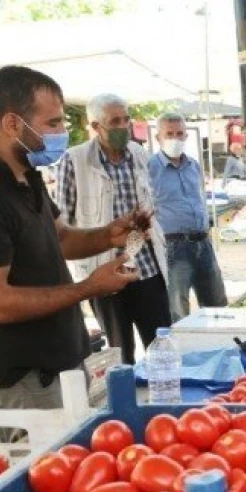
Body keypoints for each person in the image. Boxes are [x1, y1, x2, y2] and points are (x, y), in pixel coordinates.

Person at [0, 66, 140, 429]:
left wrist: (109, 235)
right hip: (17, 385)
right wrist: (88, 288)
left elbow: (60, 238)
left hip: (58, 369)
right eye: (53, 123)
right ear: (13, 124)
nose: (63, 133)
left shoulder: (25, 173)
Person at [55, 93, 171, 364]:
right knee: (120, 354)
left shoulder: (139, 154)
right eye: (114, 121)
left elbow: (149, 198)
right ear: (95, 126)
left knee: (162, 346)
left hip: (146, 267)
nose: (123, 127)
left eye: (126, 120)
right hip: (105, 271)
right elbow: (64, 222)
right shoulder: (75, 160)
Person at [148, 112, 228, 322]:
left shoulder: (193, 166)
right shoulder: (150, 168)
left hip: (202, 242)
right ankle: (183, 352)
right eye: (169, 134)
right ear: (159, 138)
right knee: (178, 308)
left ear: (186, 136)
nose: (175, 138)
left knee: (217, 304)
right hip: (174, 245)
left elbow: (199, 198)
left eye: (180, 133)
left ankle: (222, 347)